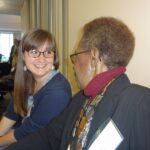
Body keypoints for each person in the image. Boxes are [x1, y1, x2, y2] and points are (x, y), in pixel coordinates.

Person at [5, 17, 150, 150]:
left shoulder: (140, 102)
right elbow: (48, 136)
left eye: (76, 56)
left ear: (93, 58)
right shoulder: (81, 99)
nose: (73, 65)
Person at [0, 28, 72, 148]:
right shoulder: (28, 79)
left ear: (54, 56)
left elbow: (27, 132)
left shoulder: (57, 92)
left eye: (48, 52)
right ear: (23, 56)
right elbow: (12, 113)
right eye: (34, 52)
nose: (42, 59)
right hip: (24, 134)